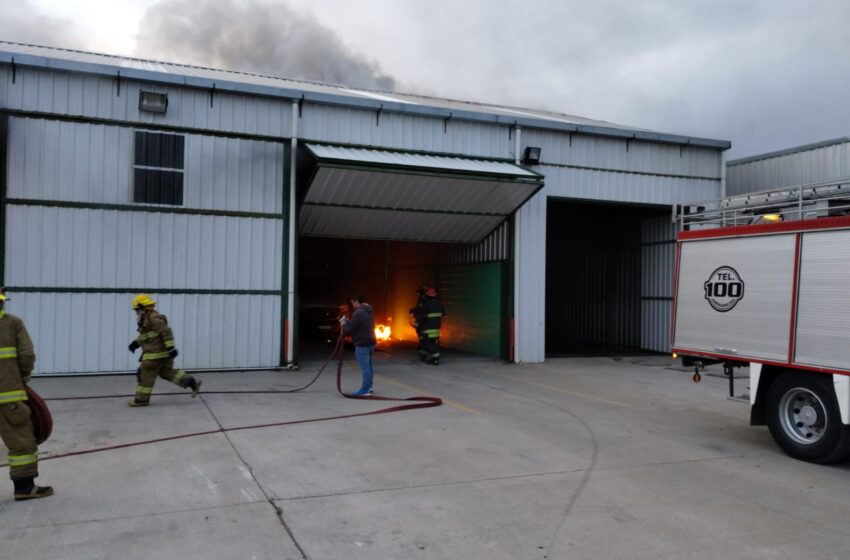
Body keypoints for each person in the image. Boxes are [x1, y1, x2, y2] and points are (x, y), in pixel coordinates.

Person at [0, 290, 53, 501]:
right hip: (8, 397)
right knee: (21, 441)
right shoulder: (12, 323)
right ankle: (24, 488)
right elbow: (26, 355)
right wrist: (21, 378)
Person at [127, 294, 201, 407]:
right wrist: (135, 343)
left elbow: (166, 332)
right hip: (162, 355)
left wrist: (171, 348)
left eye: (137, 309)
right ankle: (192, 383)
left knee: (145, 375)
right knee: (167, 373)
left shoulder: (153, 318)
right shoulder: (146, 319)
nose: (136, 312)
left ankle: (141, 400)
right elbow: (147, 336)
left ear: (142, 307)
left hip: (154, 355)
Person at [340, 294, 376, 396]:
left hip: (362, 343)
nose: (352, 305)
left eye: (352, 303)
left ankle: (365, 389)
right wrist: (348, 321)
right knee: (369, 366)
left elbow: (349, 329)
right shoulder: (368, 310)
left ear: (356, 301)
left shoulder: (358, 312)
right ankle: (369, 387)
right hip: (370, 341)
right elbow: (358, 324)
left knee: (365, 367)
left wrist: (343, 323)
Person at [415, 287, 445, 365]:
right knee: (431, 341)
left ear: (427, 295)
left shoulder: (426, 304)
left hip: (427, 328)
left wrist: (417, 324)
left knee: (428, 342)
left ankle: (435, 358)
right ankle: (424, 355)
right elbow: (443, 313)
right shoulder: (439, 303)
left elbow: (422, 317)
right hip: (436, 328)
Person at [409, 285, 429, 361]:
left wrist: (413, 311)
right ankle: (424, 350)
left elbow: (419, 308)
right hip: (426, 322)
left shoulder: (423, 299)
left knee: (422, 337)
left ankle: (423, 353)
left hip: (422, 321)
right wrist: (413, 310)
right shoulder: (427, 299)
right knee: (423, 336)